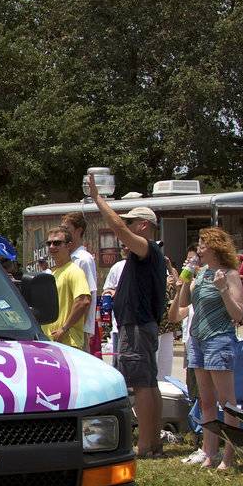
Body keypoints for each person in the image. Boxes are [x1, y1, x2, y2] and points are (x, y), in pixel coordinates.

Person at [89, 178, 165, 456]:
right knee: (149, 383)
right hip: (141, 324)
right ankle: (152, 441)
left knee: (141, 385)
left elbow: (119, 229)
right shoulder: (151, 253)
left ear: (143, 226)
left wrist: (99, 200)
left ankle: (145, 445)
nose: (126, 228)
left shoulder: (146, 247)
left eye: (131, 223)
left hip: (137, 325)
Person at [174, 228, 243, 469]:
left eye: (203, 244)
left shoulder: (230, 274)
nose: (199, 249)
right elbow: (184, 303)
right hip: (197, 339)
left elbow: (238, 314)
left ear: (215, 248)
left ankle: (229, 455)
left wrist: (223, 289)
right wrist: (185, 280)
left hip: (219, 339)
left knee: (226, 402)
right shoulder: (201, 273)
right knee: (206, 401)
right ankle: (210, 452)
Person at [42, 229, 90, 350]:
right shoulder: (54, 272)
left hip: (68, 342)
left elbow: (83, 301)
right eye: (49, 243)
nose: (52, 246)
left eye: (57, 243)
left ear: (69, 245)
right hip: (52, 341)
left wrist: (64, 328)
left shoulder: (74, 271)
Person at [60, 211, 99, 350]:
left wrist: (85, 329)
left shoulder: (83, 259)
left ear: (78, 230)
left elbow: (88, 296)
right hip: (63, 327)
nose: (63, 232)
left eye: (67, 229)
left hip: (77, 331)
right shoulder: (65, 258)